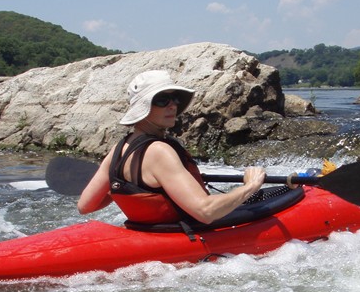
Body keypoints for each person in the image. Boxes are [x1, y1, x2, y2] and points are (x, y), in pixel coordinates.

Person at [77, 70, 266, 225]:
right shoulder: (159, 152)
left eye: (175, 98)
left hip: (151, 233)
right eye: (162, 100)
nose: (173, 105)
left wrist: (130, 190)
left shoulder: (119, 150)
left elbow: (85, 205)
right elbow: (206, 211)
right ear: (143, 108)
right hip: (183, 236)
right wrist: (251, 186)